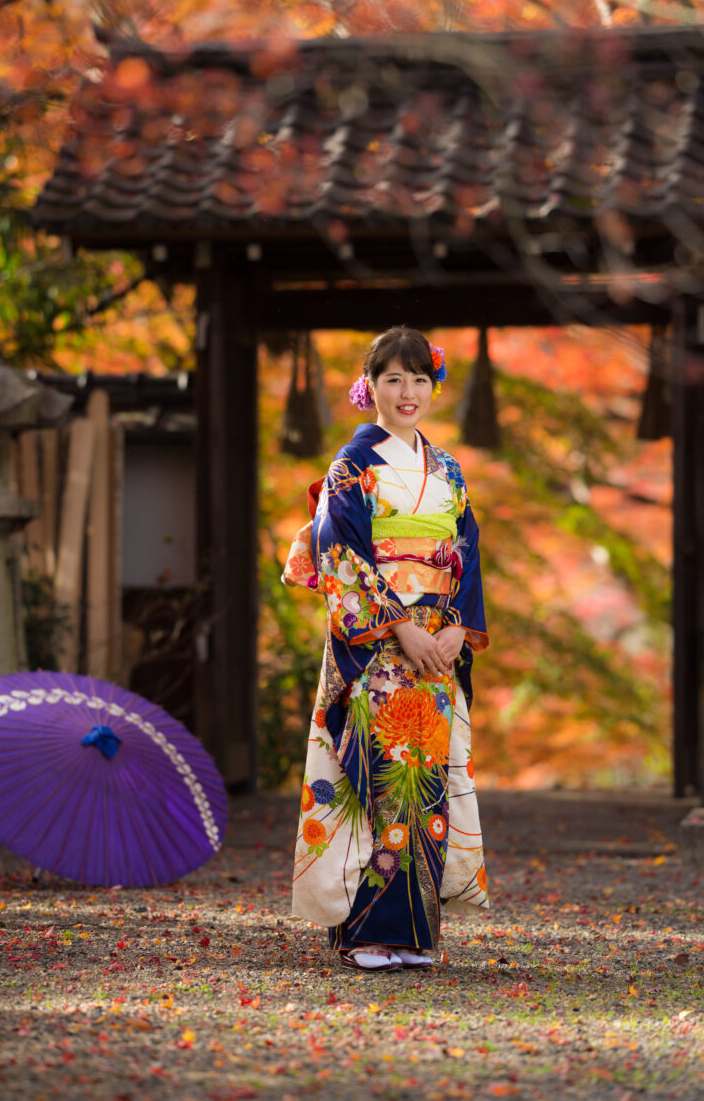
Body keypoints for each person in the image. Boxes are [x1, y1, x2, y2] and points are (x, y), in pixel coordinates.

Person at [283, 326, 489, 972]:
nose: (408, 392)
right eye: (394, 378)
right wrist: (400, 627)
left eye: (420, 379)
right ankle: (367, 934)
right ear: (369, 385)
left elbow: (467, 557)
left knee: (423, 786)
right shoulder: (353, 465)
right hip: (377, 647)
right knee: (374, 780)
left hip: (434, 651)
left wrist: (457, 626)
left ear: (433, 387)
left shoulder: (448, 469)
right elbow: (339, 555)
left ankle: (417, 935)